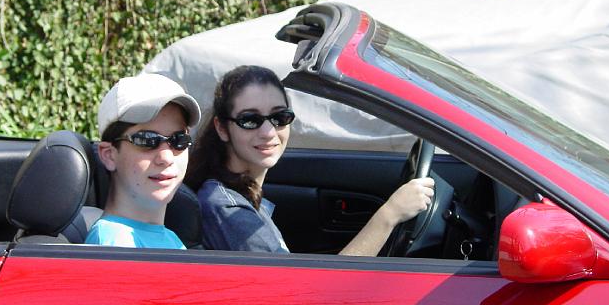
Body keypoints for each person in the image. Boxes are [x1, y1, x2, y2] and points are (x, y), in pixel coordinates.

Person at [185, 65, 435, 256]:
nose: (269, 132)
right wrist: (389, 215)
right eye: (250, 120)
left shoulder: (237, 194)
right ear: (222, 128)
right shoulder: (229, 210)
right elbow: (308, 300)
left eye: (279, 117)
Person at [85, 73, 201, 248]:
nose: (166, 157)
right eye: (147, 140)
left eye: (179, 140)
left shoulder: (171, 238)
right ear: (109, 155)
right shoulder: (114, 243)